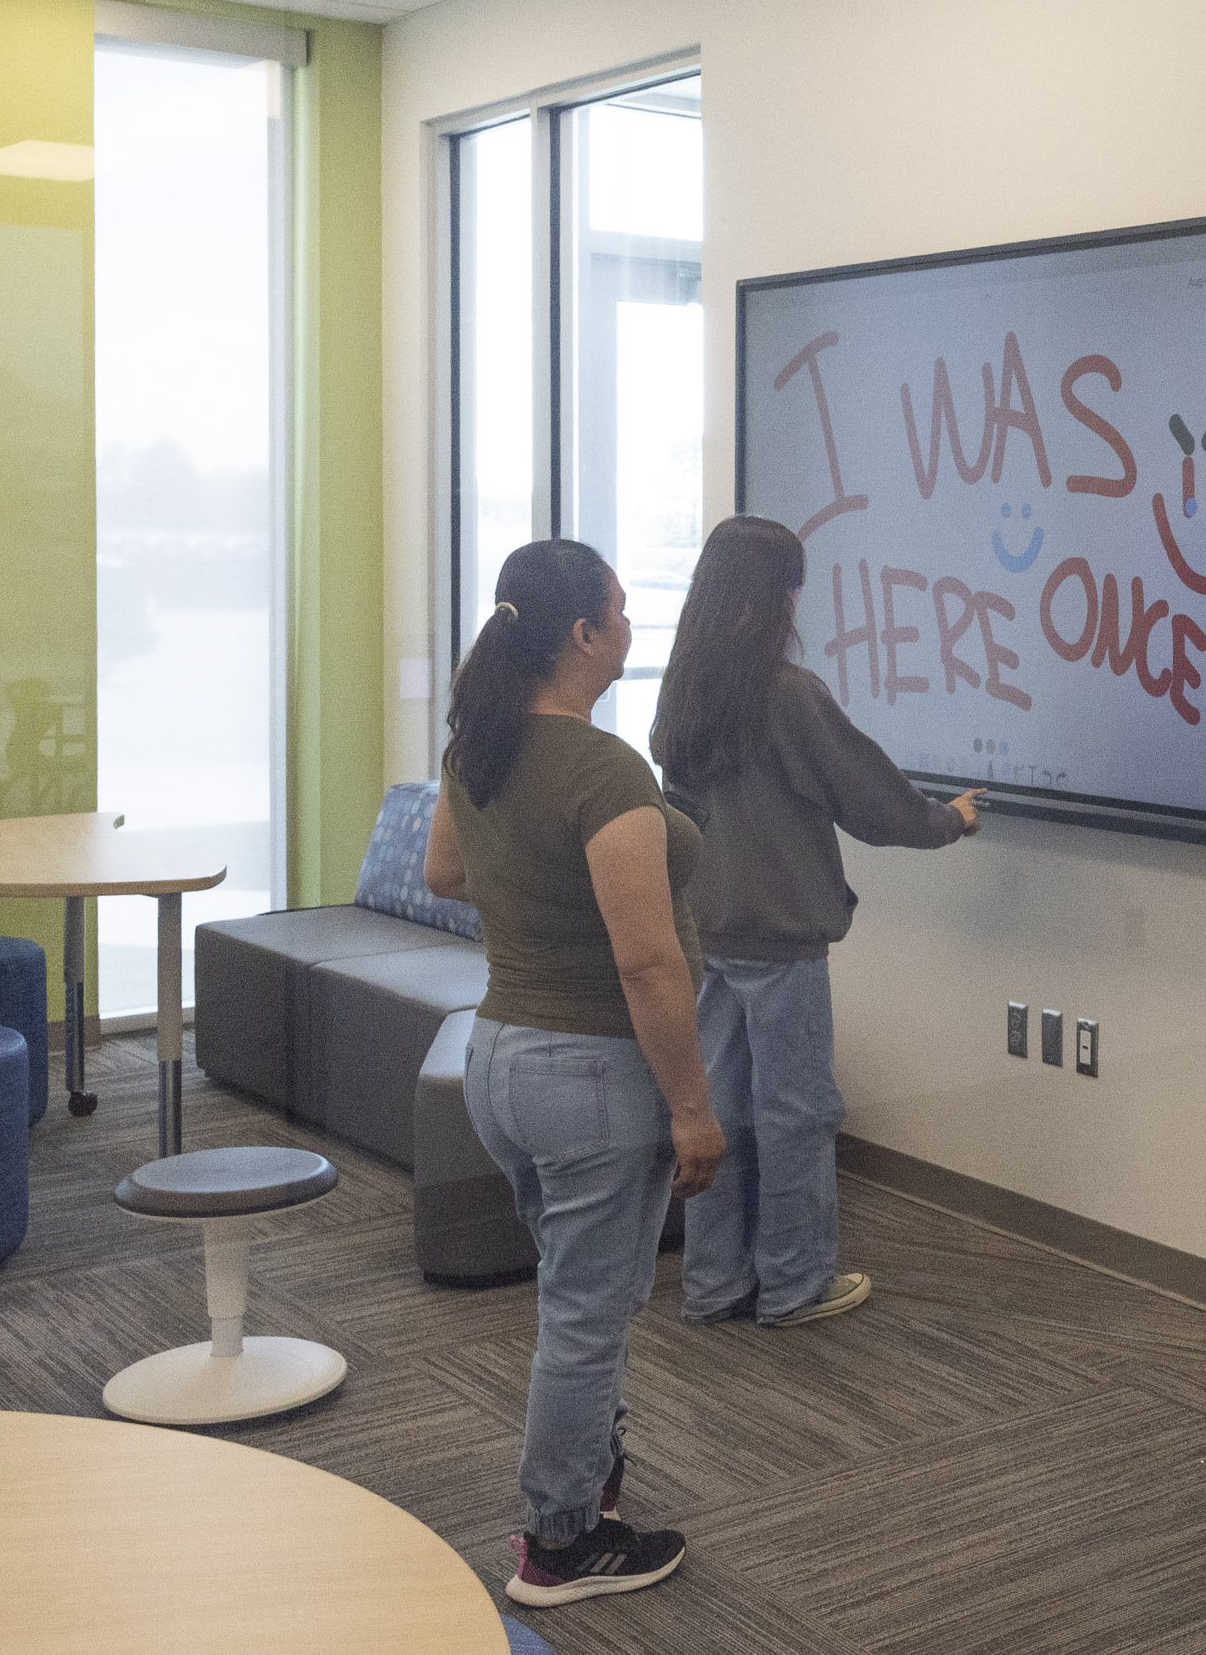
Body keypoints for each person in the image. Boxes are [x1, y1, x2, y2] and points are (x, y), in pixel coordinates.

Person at [422, 538, 725, 1612]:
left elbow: (445, 869)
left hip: (500, 1057)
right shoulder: (604, 771)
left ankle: (585, 1484)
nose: (633, 630)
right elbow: (647, 958)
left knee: (576, 1293)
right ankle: (556, 1542)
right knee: (587, 1313)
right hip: (592, 1076)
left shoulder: (478, 746)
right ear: (584, 635)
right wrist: (693, 1105)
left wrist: (535, 917)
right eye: (622, 613)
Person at [649, 514, 984, 1328]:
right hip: (781, 942)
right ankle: (796, 1285)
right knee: (798, 1113)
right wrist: (952, 820)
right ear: (779, 595)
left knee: (722, 1113)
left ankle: (714, 1284)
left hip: (711, 934)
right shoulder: (788, 694)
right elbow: (872, 800)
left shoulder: (685, 687)